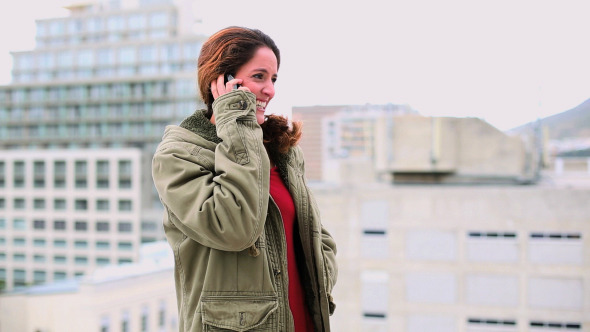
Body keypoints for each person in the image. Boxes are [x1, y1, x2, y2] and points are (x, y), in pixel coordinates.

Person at [152, 26, 338, 332]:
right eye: (259, 76)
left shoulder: (282, 152)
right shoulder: (178, 156)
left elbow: (316, 234)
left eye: (274, 79)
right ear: (221, 81)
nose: (271, 90)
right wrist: (236, 121)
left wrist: (321, 276)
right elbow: (235, 228)